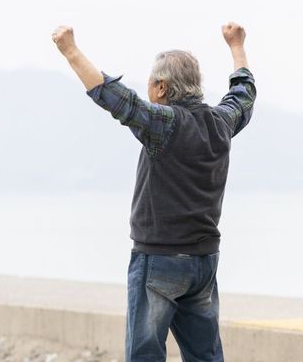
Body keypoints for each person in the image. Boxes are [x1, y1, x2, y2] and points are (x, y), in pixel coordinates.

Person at [51, 23, 256, 362]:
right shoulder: (220, 123)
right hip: (204, 263)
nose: (147, 88)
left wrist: (70, 51)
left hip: (159, 260)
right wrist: (237, 46)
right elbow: (243, 94)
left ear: (161, 87)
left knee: (144, 355)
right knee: (205, 355)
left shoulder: (165, 124)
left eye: (150, 82)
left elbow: (116, 98)